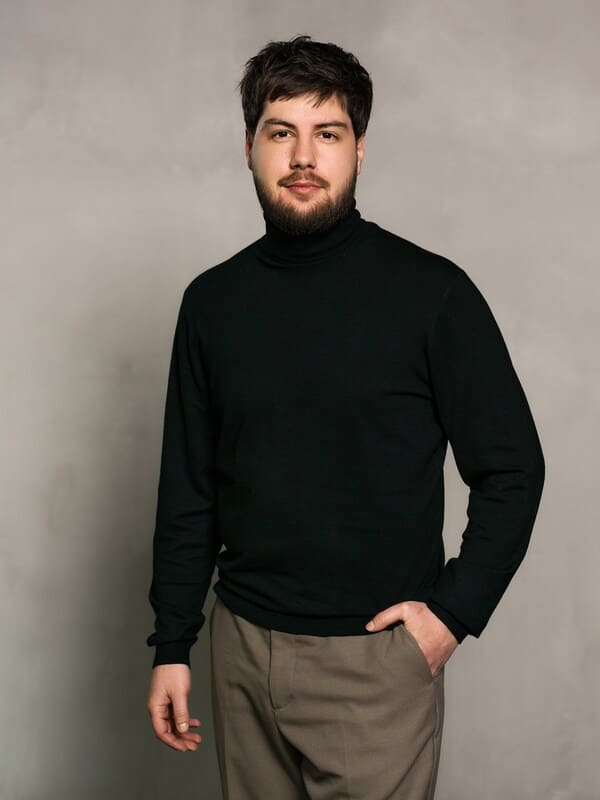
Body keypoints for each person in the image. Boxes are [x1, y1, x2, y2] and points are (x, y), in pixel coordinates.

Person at [145, 34, 545, 799]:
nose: (303, 156)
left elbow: (514, 469)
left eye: (326, 133)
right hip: (241, 652)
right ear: (250, 147)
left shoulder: (433, 295)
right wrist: (172, 642)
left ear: (358, 148)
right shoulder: (212, 304)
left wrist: (452, 615)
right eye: (281, 132)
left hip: (375, 664)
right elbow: (188, 489)